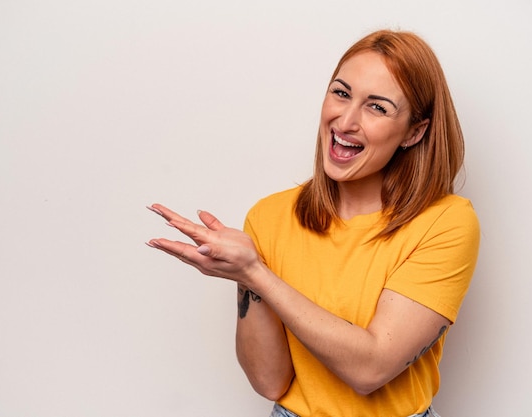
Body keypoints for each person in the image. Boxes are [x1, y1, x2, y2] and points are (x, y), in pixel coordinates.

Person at [146, 29, 480, 417]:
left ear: (415, 131)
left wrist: (257, 275)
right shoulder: (269, 217)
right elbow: (270, 382)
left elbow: (371, 369)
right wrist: (244, 274)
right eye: (341, 93)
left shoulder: (445, 223)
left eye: (377, 107)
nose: (346, 120)